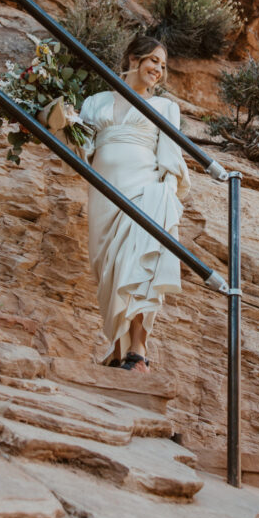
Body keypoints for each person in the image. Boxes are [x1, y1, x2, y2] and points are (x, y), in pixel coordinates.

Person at [79, 36, 190, 372]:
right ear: (133, 58)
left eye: (163, 65)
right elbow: (82, 146)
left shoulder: (166, 108)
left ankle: (138, 350)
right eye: (153, 60)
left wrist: (167, 196)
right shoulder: (95, 102)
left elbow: (170, 155)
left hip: (145, 191)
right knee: (109, 267)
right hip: (104, 192)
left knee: (139, 265)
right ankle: (116, 348)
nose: (158, 69)